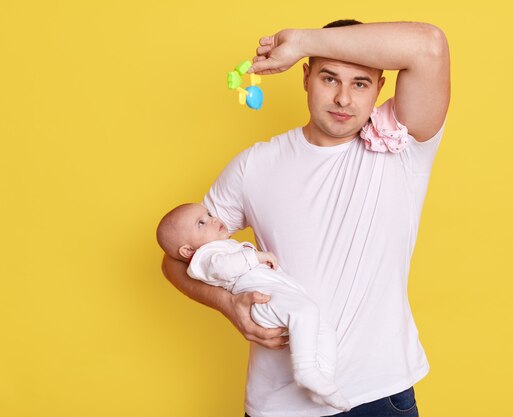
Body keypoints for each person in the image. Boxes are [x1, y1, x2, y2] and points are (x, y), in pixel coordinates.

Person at [162, 19, 450, 417]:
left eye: (360, 83)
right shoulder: (255, 165)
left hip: (378, 393)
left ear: (380, 88)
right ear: (306, 76)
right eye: (329, 78)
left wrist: (302, 41)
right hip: (278, 404)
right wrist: (228, 306)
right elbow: (178, 256)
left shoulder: (401, 144)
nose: (344, 99)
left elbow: (429, 44)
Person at [156, 203, 350, 411]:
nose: (213, 219)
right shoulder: (203, 257)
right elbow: (221, 267)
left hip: (273, 295)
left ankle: (323, 381)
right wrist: (256, 257)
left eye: (209, 214)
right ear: (187, 250)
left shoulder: (221, 246)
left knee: (323, 330)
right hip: (261, 299)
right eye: (201, 223)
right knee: (305, 313)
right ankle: (306, 369)